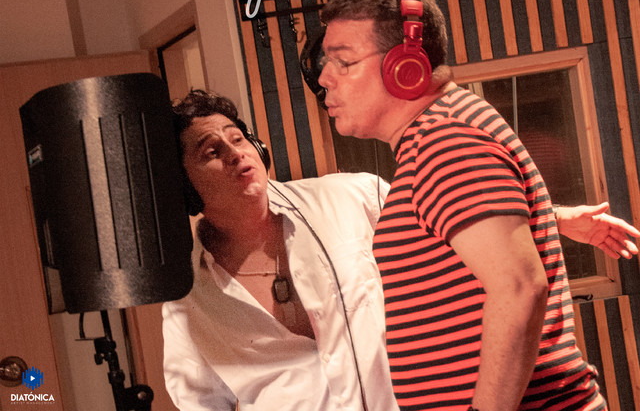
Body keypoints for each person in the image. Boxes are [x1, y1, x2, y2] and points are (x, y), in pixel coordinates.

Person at [162, 89, 639, 410]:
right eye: (211, 151)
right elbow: (201, 404)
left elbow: (452, 214)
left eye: (238, 138)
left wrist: (554, 216)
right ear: (183, 185)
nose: (236, 153)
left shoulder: (349, 197)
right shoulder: (184, 300)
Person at [317, 0, 636, 410]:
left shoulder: (444, 141)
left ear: (406, 67)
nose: (325, 78)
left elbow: (520, 288)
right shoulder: (440, 134)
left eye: (343, 62)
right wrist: (553, 216)